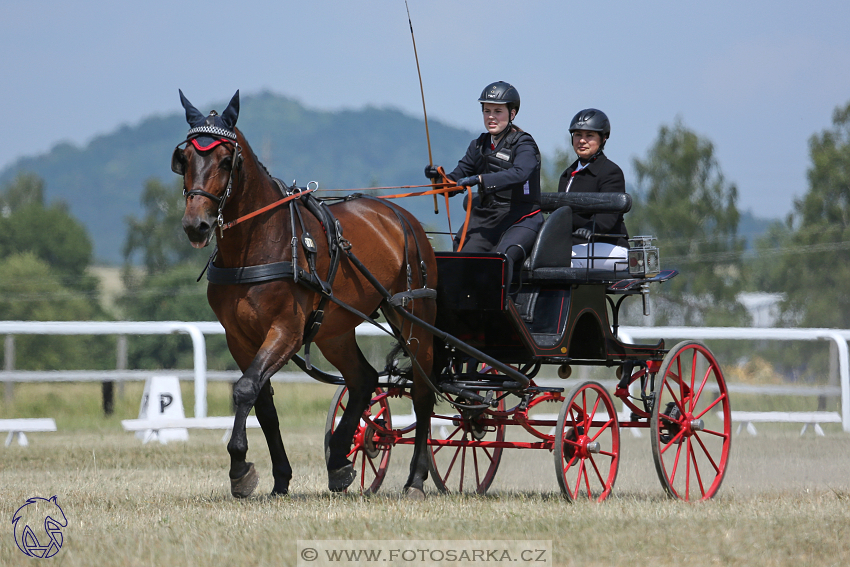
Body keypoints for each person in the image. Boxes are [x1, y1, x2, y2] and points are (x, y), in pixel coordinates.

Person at [425, 81, 543, 273]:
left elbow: (521, 173)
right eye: (487, 111)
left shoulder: (524, 144)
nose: (491, 117)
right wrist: (438, 180)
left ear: (512, 114)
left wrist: (480, 180)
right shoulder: (478, 145)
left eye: (498, 111)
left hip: (521, 218)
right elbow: (454, 183)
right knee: (462, 257)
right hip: (488, 218)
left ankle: (505, 303)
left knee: (501, 260)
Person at [557, 109, 629, 271]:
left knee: (564, 260)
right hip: (577, 245)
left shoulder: (610, 172)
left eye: (589, 135)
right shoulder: (567, 175)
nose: (582, 140)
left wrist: (590, 228)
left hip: (609, 246)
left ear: (603, 139)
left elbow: (608, 216)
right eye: (577, 135)